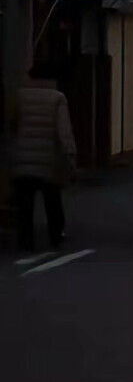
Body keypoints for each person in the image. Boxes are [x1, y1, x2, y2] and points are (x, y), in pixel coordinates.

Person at [11, 63, 77, 253]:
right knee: (52, 199)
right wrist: (71, 157)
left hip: (22, 157)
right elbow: (64, 132)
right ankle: (55, 234)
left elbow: (12, 125)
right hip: (49, 158)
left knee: (25, 203)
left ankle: (25, 241)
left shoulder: (18, 97)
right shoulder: (57, 98)